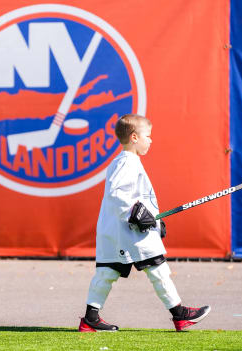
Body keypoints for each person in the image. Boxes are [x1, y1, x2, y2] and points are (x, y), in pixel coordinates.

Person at [78, 113, 210, 332]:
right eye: (147, 135)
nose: (151, 140)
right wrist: (137, 215)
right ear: (134, 137)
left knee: (108, 272)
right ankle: (179, 315)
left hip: (123, 232)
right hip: (129, 232)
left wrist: (154, 223)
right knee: (157, 268)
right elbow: (117, 194)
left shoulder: (126, 161)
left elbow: (134, 198)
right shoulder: (127, 162)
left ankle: (90, 318)